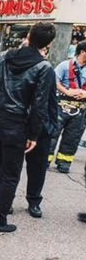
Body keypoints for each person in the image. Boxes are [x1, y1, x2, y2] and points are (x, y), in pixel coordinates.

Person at [0, 22, 56, 235]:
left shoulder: (6, 55)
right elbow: (40, 104)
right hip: (17, 124)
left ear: (29, 34)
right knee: (10, 174)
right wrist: (34, 134)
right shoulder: (44, 67)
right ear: (48, 44)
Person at [22, 43, 59, 218]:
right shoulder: (12, 66)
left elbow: (49, 100)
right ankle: (6, 201)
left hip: (41, 125)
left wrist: (51, 125)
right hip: (20, 123)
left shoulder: (47, 69)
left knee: (37, 167)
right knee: (11, 167)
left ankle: (34, 200)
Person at [48, 40, 86, 174]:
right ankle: (45, 159)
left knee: (73, 137)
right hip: (61, 105)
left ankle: (64, 162)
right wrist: (67, 91)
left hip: (81, 109)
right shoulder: (65, 65)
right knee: (52, 133)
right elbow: (54, 80)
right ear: (82, 52)